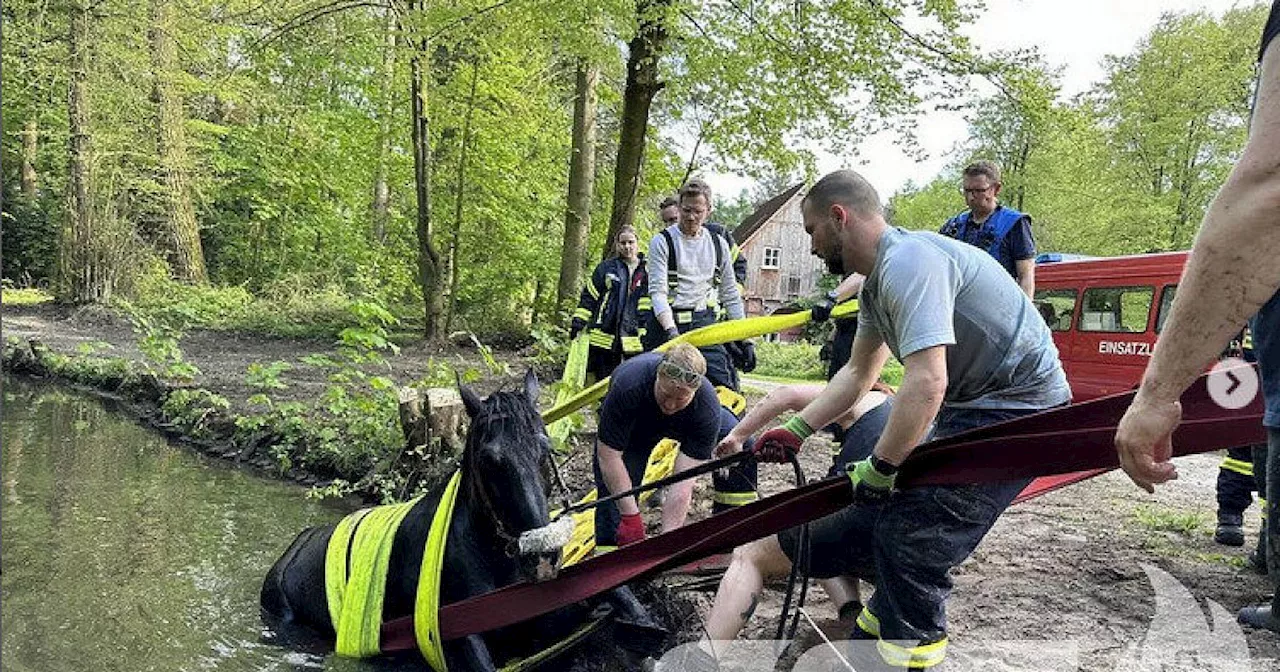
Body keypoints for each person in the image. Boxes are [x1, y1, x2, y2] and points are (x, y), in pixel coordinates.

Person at [692, 169, 1070, 670]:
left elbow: (927, 381)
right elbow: (857, 373)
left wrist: (883, 466)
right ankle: (869, 645)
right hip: (974, 407)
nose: (808, 246)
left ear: (838, 216)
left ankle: (908, 657)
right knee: (892, 526)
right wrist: (799, 428)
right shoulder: (875, 287)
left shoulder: (910, 264)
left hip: (1020, 408)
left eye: (809, 231)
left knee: (914, 542)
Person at [1115, 2, 1280, 632]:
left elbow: (1269, 190)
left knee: (1245, 448)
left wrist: (1158, 392)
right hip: (1250, 372)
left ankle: (1238, 522)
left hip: (1252, 372)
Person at [712, 379, 895, 621]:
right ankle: (850, 611)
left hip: (869, 521)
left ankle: (706, 656)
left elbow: (786, 395)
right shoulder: (908, 412)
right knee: (822, 523)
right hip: (907, 542)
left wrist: (737, 436)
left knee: (751, 554)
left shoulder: (863, 397)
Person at [591, 344, 755, 551]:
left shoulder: (706, 407)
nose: (670, 404)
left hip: (686, 423)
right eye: (665, 393)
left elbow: (683, 482)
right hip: (636, 427)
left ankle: (731, 536)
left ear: (694, 392)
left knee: (742, 445)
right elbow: (609, 457)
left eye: (680, 398)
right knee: (615, 491)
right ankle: (609, 558)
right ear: (657, 377)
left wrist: (668, 543)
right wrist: (631, 517)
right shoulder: (628, 386)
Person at [645, 179, 752, 390]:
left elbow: (730, 294)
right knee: (657, 387)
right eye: (686, 210)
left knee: (724, 387)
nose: (691, 217)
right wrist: (672, 332)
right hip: (667, 325)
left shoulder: (718, 244)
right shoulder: (662, 241)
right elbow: (657, 292)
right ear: (679, 207)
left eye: (698, 211)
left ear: (709, 211)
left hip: (704, 324)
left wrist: (745, 339)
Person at [939, 160, 1037, 297]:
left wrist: (1025, 316)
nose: (971, 197)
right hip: (960, 308)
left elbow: (1026, 276)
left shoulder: (1015, 224)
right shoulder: (952, 227)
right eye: (967, 190)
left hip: (999, 307)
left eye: (979, 190)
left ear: (996, 189)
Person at [570, 226, 650, 381]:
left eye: (630, 242)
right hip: (604, 337)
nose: (627, 246)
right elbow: (589, 297)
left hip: (635, 339)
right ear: (617, 244)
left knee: (629, 383)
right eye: (623, 243)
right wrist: (578, 322)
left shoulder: (648, 270)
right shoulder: (606, 268)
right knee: (602, 383)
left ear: (637, 243)